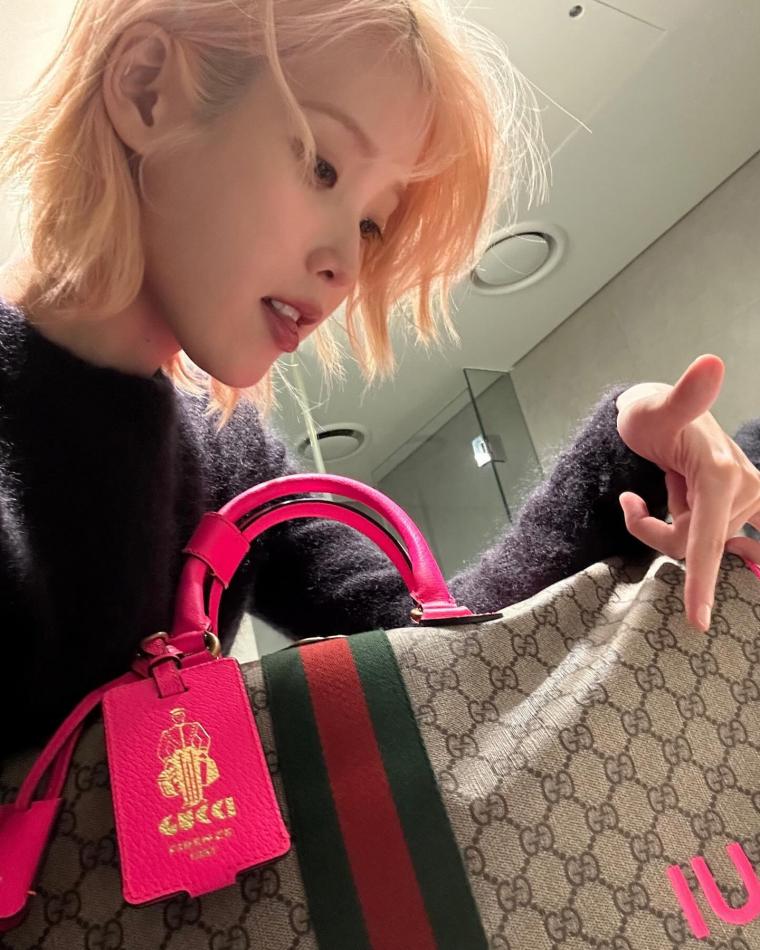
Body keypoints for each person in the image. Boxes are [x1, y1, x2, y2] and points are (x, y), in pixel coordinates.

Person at [0, 0, 758, 759]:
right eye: (321, 166)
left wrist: (628, 439)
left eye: (370, 224)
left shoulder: (232, 462)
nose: (346, 265)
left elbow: (443, 663)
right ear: (146, 90)